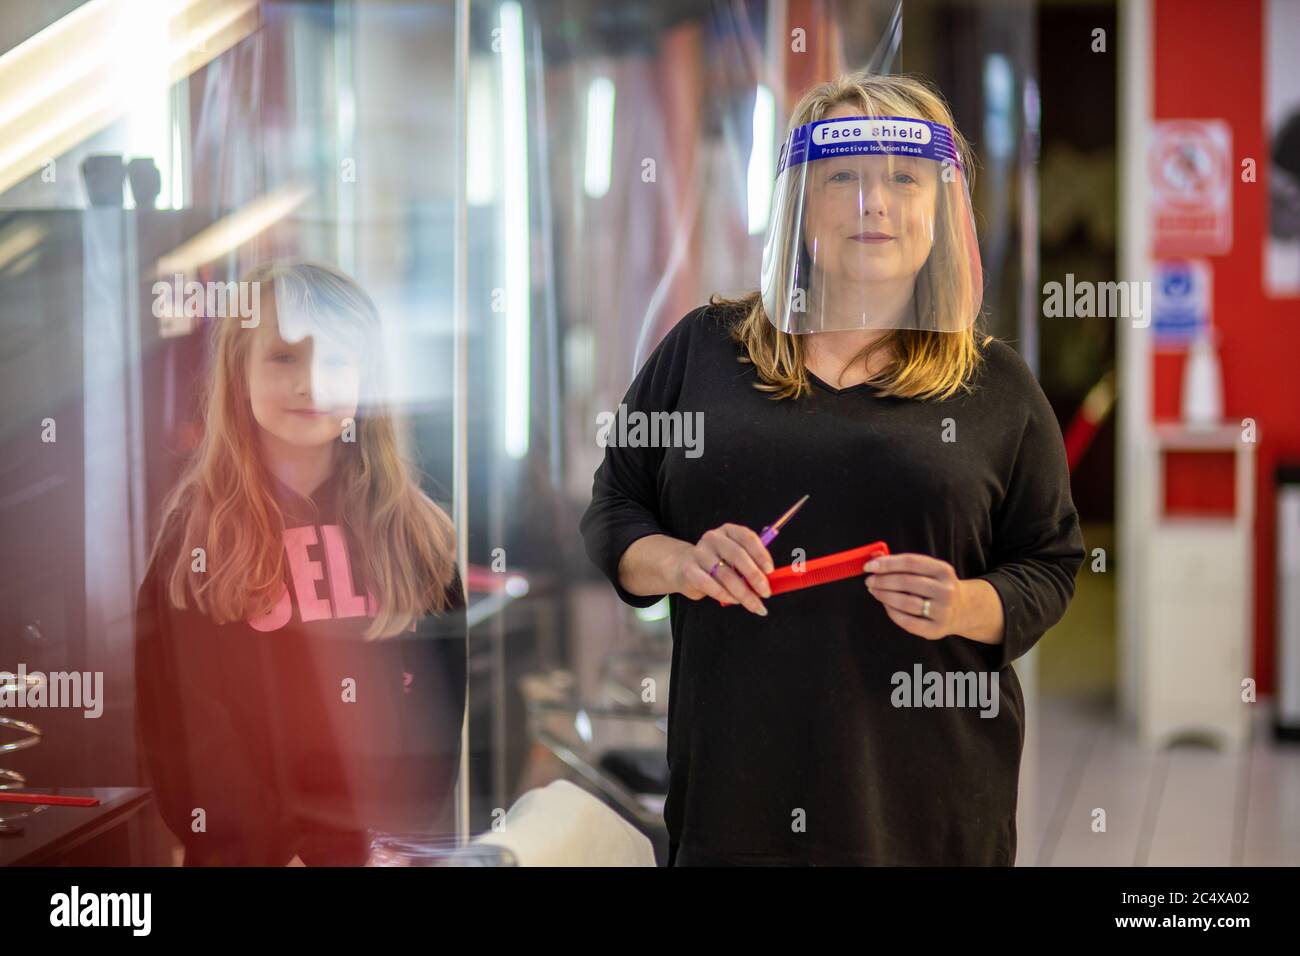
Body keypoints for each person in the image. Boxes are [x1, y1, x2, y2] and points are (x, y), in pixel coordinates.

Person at [580, 71, 1085, 866]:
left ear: (941, 213)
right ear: (800, 207)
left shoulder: (996, 388)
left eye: (902, 180)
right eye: (842, 176)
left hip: (926, 805)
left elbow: (1051, 566)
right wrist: (682, 562)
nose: (871, 202)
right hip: (735, 796)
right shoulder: (704, 352)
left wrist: (965, 605)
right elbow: (615, 511)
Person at [134, 260, 467, 866]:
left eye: (337, 360)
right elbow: (187, 724)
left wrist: (386, 844)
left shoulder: (415, 533)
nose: (311, 383)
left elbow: (439, 717)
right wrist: (270, 851)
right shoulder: (197, 536)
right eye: (284, 357)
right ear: (239, 374)